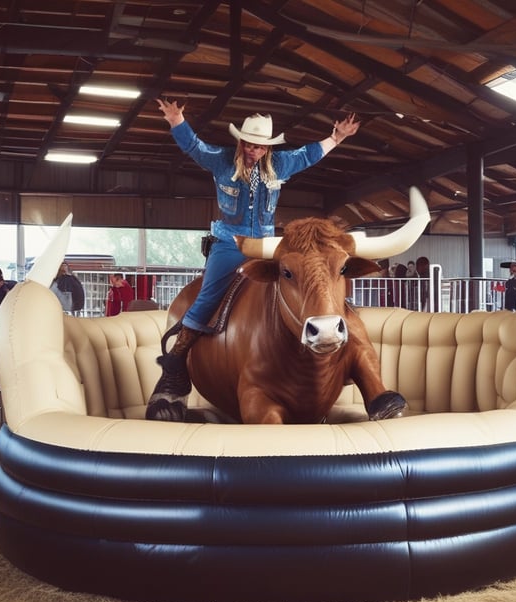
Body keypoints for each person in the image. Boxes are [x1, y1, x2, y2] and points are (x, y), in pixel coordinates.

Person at [146, 99, 360, 421]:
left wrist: (337, 138)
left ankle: (340, 355)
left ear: (268, 147)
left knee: (300, 284)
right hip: (230, 242)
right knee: (207, 296)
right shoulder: (221, 161)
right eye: (249, 144)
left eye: (260, 147)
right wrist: (177, 120)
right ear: (241, 142)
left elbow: (309, 155)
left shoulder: (281, 164)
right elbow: (194, 147)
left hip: (266, 243)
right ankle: (176, 363)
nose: (254, 151)